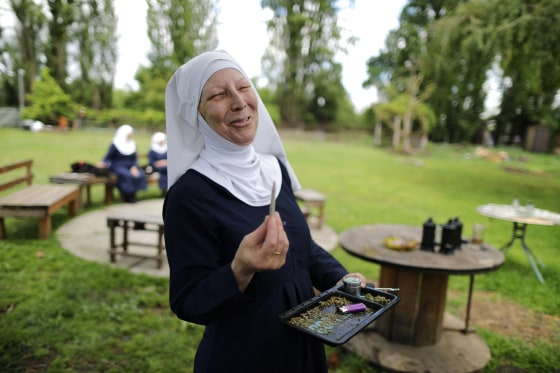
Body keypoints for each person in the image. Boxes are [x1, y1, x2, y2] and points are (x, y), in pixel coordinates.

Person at [164, 50, 367, 373]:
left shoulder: (275, 170)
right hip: (245, 357)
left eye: (244, 88)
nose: (238, 102)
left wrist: (340, 278)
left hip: (305, 344)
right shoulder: (189, 195)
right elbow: (188, 301)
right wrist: (239, 270)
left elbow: (303, 249)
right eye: (218, 94)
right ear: (195, 114)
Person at [98, 124, 147, 203]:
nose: (132, 135)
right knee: (126, 175)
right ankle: (127, 196)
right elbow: (108, 156)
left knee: (139, 174)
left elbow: (134, 158)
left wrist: (134, 167)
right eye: (130, 134)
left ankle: (133, 195)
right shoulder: (115, 144)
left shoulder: (133, 144)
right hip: (117, 165)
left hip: (130, 165)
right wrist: (103, 162)